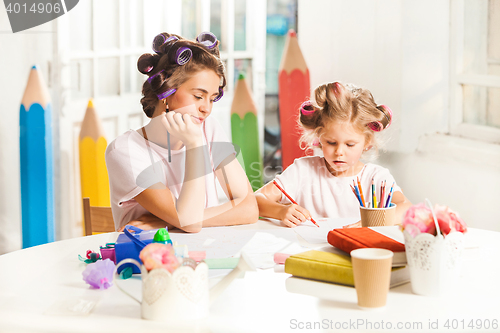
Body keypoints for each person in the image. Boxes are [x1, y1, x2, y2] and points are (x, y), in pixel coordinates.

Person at [105, 32, 258, 233]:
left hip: (208, 255)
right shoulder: (125, 150)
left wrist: (168, 220)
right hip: (150, 260)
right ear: (166, 93)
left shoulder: (209, 128)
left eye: (212, 98)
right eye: (198, 96)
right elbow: (190, 223)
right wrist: (195, 145)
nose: (206, 109)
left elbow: (249, 208)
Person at [256, 81, 411, 228]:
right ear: (319, 138)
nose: (339, 152)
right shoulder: (303, 170)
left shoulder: (376, 177)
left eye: (350, 144)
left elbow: (407, 209)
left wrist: (373, 222)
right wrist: (280, 211)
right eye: (331, 142)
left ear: (367, 142)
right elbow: (256, 200)